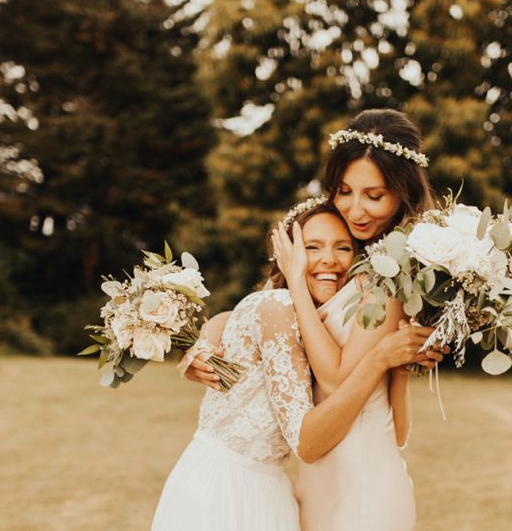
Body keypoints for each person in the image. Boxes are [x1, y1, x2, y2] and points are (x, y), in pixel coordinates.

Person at [188, 109, 438, 531]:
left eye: (374, 196)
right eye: (344, 191)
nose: (356, 210)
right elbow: (256, 314)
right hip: (321, 475)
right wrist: (202, 342)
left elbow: (339, 377)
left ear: (403, 194)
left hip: (360, 482)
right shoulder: (352, 263)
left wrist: (296, 281)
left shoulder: (392, 277)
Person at [151, 204, 435, 531]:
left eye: (343, 247)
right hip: (230, 491)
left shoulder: (331, 328)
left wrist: (399, 367)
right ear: (286, 256)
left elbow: (397, 434)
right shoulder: (279, 306)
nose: (329, 258)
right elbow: (307, 442)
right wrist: (380, 358)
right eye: (312, 247)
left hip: (268, 488)